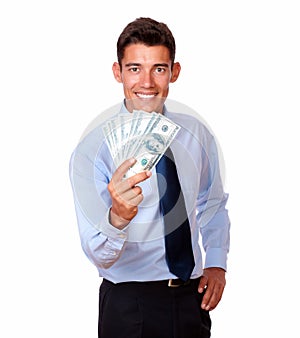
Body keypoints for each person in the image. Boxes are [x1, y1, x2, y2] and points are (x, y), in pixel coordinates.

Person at [69, 17, 230, 338]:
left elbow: (211, 203)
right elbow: (96, 252)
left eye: (158, 68)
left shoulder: (196, 134)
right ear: (118, 72)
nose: (147, 82)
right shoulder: (93, 149)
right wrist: (117, 218)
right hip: (130, 302)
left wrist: (216, 263)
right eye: (134, 69)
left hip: (191, 298)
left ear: (174, 71)